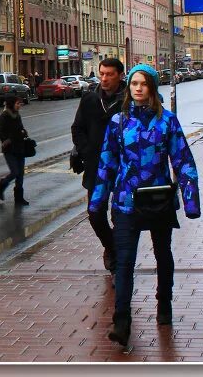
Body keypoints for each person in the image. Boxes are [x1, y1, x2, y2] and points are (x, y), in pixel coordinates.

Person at [89, 64, 200, 347]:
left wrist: (190, 202)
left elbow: (183, 161)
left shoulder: (167, 122)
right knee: (124, 262)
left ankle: (164, 304)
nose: (138, 88)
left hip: (158, 201)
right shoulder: (118, 122)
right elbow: (107, 163)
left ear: (152, 87)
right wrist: (98, 202)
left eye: (144, 83)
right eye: (134, 83)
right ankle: (122, 321)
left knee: (163, 254)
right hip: (126, 203)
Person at [71, 57, 127, 274]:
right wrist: (87, 152)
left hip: (123, 167)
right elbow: (77, 128)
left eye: (109, 74)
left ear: (120, 75)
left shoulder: (128, 101)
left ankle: (120, 258)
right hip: (96, 167)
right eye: (101, 74)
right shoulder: (90, 100)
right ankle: (111, 247)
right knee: (95, 214)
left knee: (119, 214)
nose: (104, 78)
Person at [0, 96, 30, 205]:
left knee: (20, 174)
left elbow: (21, 129)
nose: (19, 106)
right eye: (18, 104)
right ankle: (1, 186)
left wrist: (24, 132)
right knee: (15, 172)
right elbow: (0, 132)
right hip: (9, 149)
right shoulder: (4, 116)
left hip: (20, 147)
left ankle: (19, 198)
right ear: (12, 104)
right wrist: (6, 140)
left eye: (20, 104)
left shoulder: (17, 115)